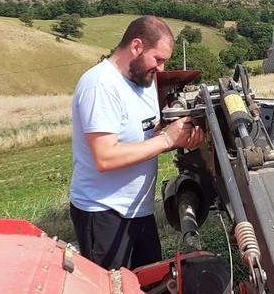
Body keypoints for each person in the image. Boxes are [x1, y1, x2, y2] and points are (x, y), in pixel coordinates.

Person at [69, 15, 204, 271]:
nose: (162, 69)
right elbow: (105, 157)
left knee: (147, 288)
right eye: (158, 59)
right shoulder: (100, 86)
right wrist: (167, 140)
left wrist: (180, 139)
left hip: (139, 211)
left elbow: (145, 140)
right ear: (136, 46)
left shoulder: (143, 83)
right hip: (104, 213)